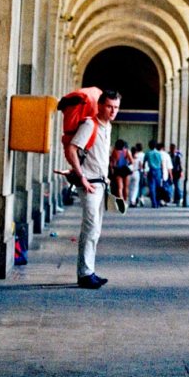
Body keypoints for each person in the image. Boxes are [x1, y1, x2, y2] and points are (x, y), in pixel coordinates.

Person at [66, 89, 121, 289]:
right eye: (109, 106)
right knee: (90, 227)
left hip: (100, 183)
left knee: (95, 229)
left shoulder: (108, 126)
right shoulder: (91, 124)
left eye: (116, 107)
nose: (113, 111)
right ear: (100, 106)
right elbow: (72, 149)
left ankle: (89, 271)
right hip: (89, 184)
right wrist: (81, 177)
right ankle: (85, 274)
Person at [109, 138, 133, 203]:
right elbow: (131, 161)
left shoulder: (114, 152)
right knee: (126, 187)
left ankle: (121, 200)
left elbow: (112, 163)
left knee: (120, 187)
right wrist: (126, 163)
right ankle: (125, 200)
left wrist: (112, 169)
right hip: (125, 170)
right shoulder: (127, 151)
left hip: (117, 170)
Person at [144, 139, 163, 208]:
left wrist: (144, 170)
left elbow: (144, 162)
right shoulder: (159, 153)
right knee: (158, 187)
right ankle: (158, 202)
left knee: (152, 187)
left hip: (151, 170)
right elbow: (161, 163)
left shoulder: (148, 153)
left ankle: (154, 203)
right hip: (158, 171)